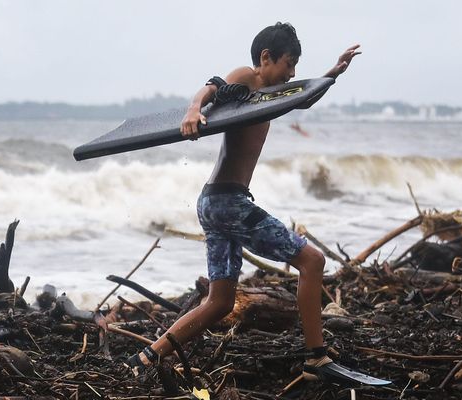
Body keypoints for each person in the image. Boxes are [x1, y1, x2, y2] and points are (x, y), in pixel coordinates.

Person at [124, 22, 362, 381]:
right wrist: (193, 111)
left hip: (214, 202)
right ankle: (316, 357)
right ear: (265, 58)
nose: (292, 73)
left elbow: (302, 97)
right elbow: (212, 86)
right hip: (228, 203)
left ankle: (146, 357)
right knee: (312, 261)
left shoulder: (267, 95)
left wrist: (332, 74)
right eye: (288, 64)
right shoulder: (247, 80)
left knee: (220, 302)